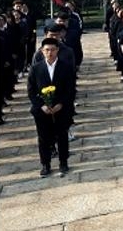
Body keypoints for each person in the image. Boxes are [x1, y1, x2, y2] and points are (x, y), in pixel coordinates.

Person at [28, 38, 76, 176]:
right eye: (47, 50)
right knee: (43, 138)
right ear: (42, 51)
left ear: (57, 50)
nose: (50, 53)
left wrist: (61, 104)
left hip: (61, 108)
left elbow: (70, 89)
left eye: (53, 50)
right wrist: (41, 105)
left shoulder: (66, 67)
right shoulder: (36, 68)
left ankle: (63, 162)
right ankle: (45, 164)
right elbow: (31, 91)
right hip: (42, 110)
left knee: (62, 135)